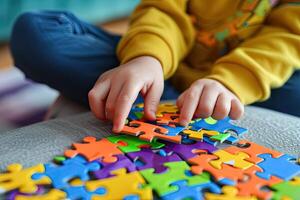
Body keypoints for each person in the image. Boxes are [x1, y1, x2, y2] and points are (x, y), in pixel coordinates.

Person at [10, 0, 300, 133]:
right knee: (37, 31)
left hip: (244, 86)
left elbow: (285, 42)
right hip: (160, 67)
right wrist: (146, 59)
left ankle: (136, 100)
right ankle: (145, 94)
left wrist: (228, 83)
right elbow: (163, 10)